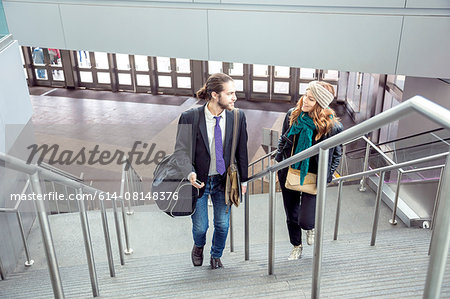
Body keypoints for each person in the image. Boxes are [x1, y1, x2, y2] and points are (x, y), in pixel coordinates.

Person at [174, 73, 248, 269]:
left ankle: (216, 255)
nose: (235, 98)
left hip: (224, 182)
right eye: (230, 93)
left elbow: (242, 151)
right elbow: (180, 151)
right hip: (199, 182)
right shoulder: (190, 117)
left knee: (222, 225)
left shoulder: (237, 117)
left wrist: (244, 181)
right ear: (215, 95)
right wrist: (189, 173)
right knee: (201, 227)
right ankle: (198, 246)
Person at [275, 81, 343, 260]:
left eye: (311, 99)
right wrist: (278, 163)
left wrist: (327, 177)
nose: (305, 100)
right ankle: (296, 246)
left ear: (320, 104)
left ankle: (309, 228)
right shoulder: (293, 115)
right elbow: (284, 140)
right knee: (291, 215)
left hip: (315, 176)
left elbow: (337, 154)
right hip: (290, 172)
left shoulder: (332, 126)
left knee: (305, 219)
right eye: (305, 95)